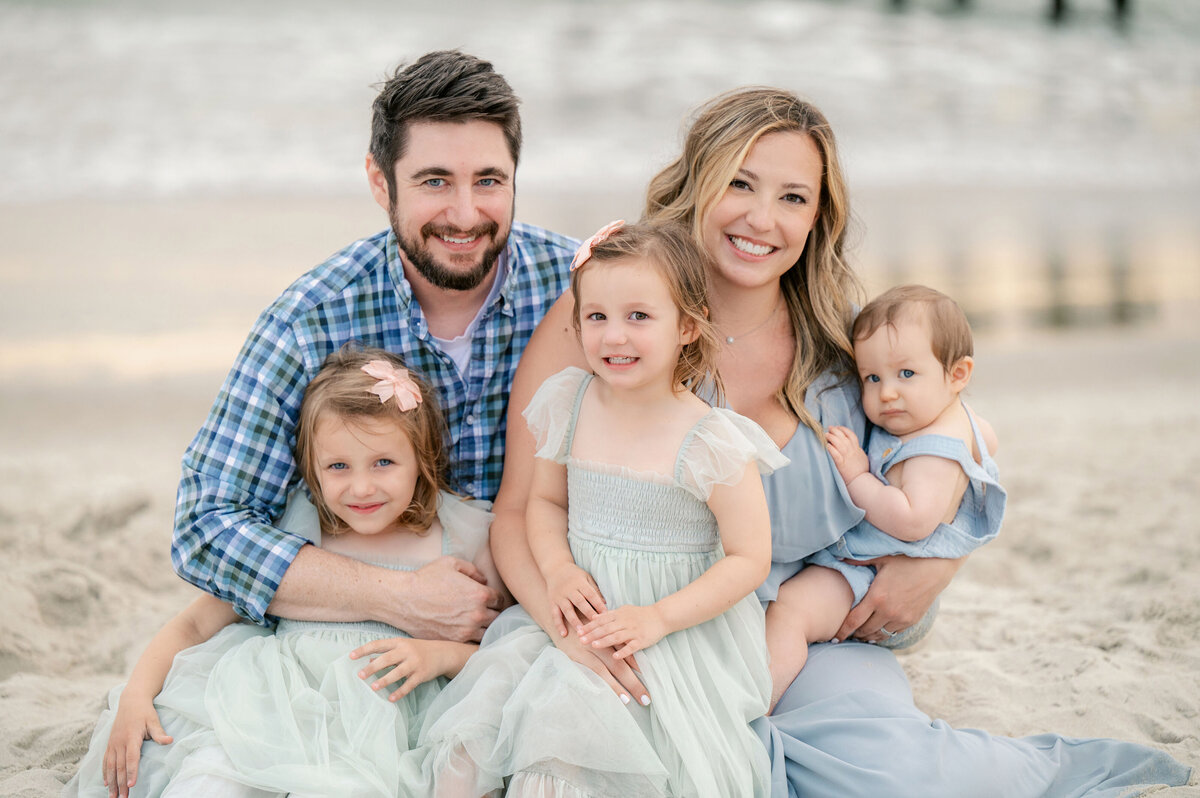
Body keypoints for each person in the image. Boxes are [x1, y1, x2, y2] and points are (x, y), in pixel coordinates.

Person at [489, 87, 1191, 796]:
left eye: (794, 197)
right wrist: (567, 629)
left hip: (807, 640)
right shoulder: (609, 323)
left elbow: (958, 434)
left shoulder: (848, 343)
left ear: (818, 216)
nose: (763, 219)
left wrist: (941, 561)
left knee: (894, 780)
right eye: (740, 183)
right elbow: (519, 510)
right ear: (695, 182)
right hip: (640, 636)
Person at [170, 49, 576, 645]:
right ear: (380, 182)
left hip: (548, 610)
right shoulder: (310, 321)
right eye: (434, 181)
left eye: (488, 181)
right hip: (367, 639)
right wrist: (396, 596)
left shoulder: (582, 290)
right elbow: (206, 528)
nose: (465, 215)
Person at [404, 221, 787, 796]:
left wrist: (658, 618)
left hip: (666, 632)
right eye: (597, 317)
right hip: (578, 613)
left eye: (639, 316)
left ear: (687, 325)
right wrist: (557, 570)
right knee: (473, 741)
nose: (614, 337)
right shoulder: (570, 401)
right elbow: (545, 501)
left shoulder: (711, 441)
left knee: (573, 752)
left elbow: (749, 558)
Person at [65, 347, 501, 798]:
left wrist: (440, 656)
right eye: (337, 467)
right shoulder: (298, 526)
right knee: (213, 779)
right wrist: (137, 694)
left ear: (420, 456)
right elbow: (196, 622)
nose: (361, 487)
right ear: (312, 469)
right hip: (271, 714)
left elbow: (503, 653)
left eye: (383, 463)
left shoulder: (461, 537)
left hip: (383, 736)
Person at [766, 284, 1006, 706]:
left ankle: (761, 702)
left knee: (789, 612)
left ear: (958, 375)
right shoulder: (952, 420)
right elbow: (989, 438)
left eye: (906, 375)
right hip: (864, 563)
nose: (887, 392)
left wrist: (859, 476)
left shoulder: (932, 452)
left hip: (867, 571)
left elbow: (912, 521)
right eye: (872, 378)